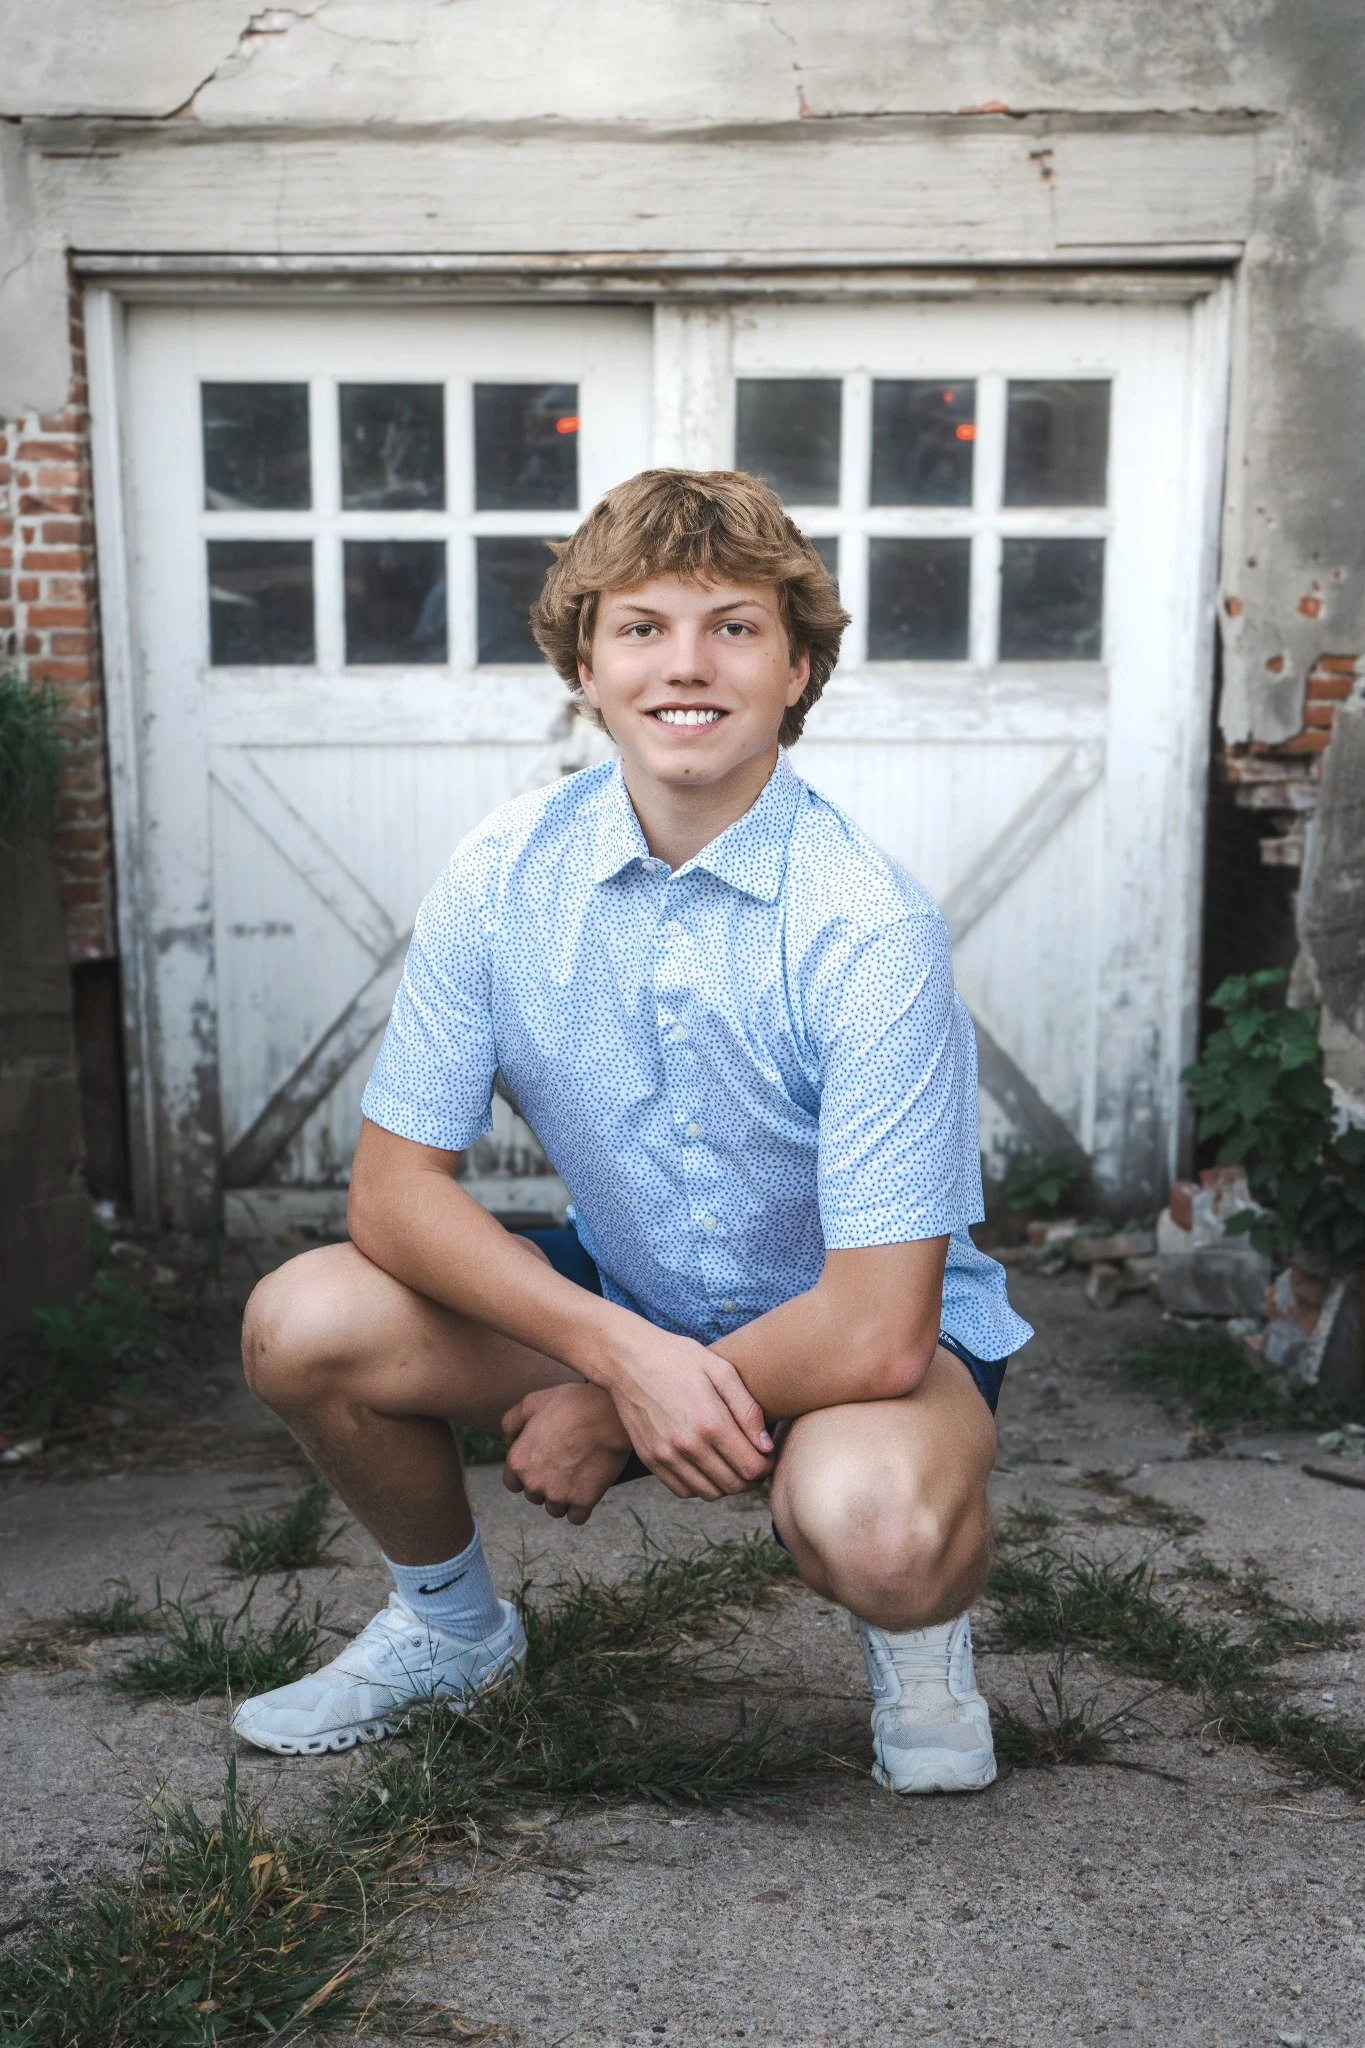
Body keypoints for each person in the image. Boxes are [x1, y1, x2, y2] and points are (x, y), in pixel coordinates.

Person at [232, 467, 1032, 1794]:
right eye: (643, 627)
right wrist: (615, 1350)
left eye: (734, 626)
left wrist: (609, 1408)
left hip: (868, 1340)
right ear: (586, 666)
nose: (689, 665)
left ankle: (923, 1637)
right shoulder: (502, 875)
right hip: (634, 1287)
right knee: (302, 1319)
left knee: (880, 1534)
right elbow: (392, 1195)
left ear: (798, 669)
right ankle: (450, 1631)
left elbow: (881, 1321)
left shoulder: (865, 923)